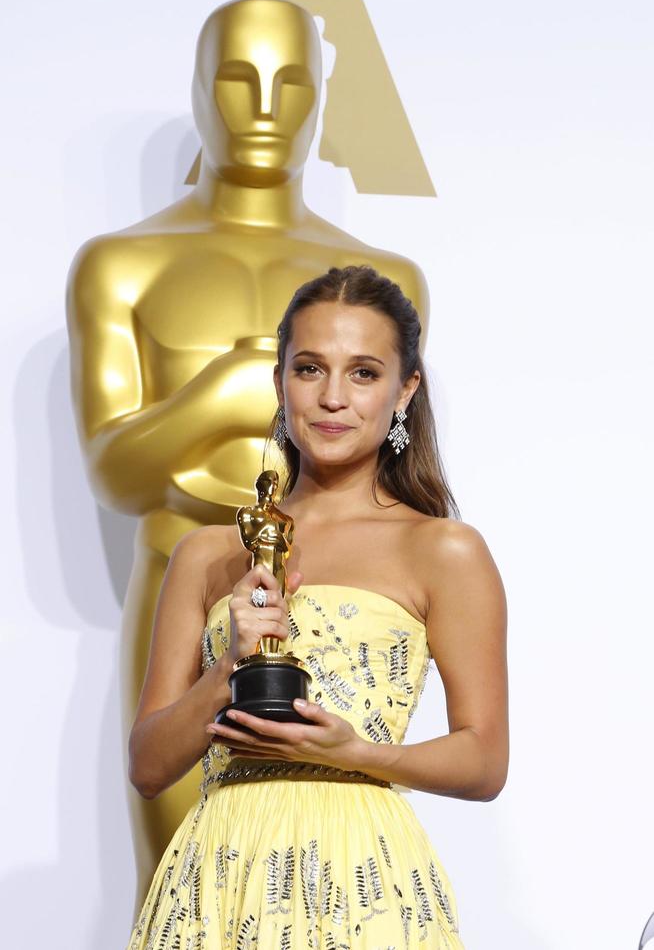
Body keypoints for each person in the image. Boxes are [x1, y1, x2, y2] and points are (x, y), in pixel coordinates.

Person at [126, 265, 509, 949]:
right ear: (280, 384)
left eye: (363, 372)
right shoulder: (208, 553)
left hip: (362, 872)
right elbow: (150, 768)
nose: (334, 397)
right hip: (220, 872)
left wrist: (358, 753)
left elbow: (484, 762)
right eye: (310, 369)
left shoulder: (443, 550)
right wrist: (227, 671)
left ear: (405, 391)